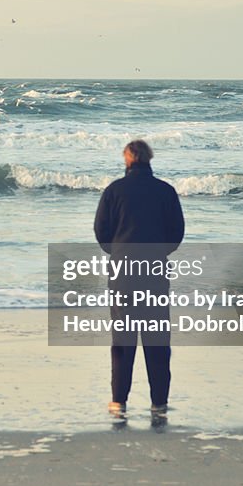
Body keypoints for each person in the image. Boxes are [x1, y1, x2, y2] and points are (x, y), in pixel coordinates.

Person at [94, 140, 184, 422]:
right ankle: (159, 403)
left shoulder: (114, 191)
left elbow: (101, 232)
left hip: (122, 273)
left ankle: (119, 402)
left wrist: (119, 252)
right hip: (155, 270)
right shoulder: (165, 191)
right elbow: (176, 233)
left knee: (123, 340)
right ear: (149, 158)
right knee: (157, 339)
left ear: (128, 158)